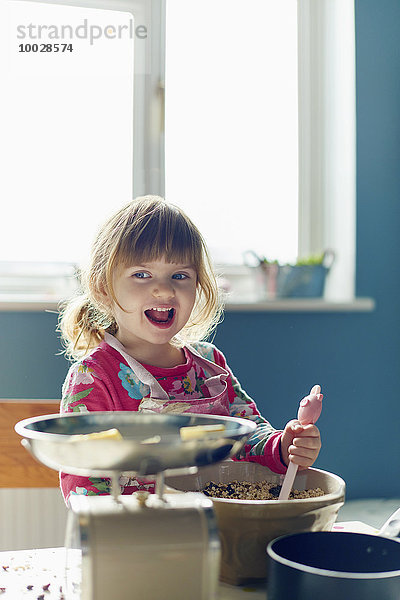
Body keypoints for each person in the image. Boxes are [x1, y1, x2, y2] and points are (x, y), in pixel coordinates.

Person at [59, 195, 321, 505]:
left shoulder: (211, 365)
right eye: (141, 274)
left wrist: (284, 445)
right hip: (136, 539)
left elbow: (248, 436)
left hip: (218, 530)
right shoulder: (94, 376)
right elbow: (84, 486)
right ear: (104, 287)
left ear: (197, 286)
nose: (165, 289)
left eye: (179, 276)